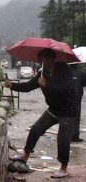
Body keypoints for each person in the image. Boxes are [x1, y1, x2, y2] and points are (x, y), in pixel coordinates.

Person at [5, 48, 76, 178]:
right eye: (41, 58)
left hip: (68, 110)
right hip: (53, 109)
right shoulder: (42, 73)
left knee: (63, 140)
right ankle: (25, 155)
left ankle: (63, 168)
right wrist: (13, 86)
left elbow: (64, 89)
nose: (44, 60)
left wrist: (46, 85)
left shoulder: (64, 69)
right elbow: (28, 86)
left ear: (52, 58)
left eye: (47, 57)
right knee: (36, 129)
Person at [70, 63, 86, 142]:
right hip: (77, 98)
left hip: (67, 98)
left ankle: (67, 136)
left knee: (66, 117)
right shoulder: (81, 73)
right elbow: (84, 83)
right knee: (76, 117)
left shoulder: (65, 73)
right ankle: (75, 136)